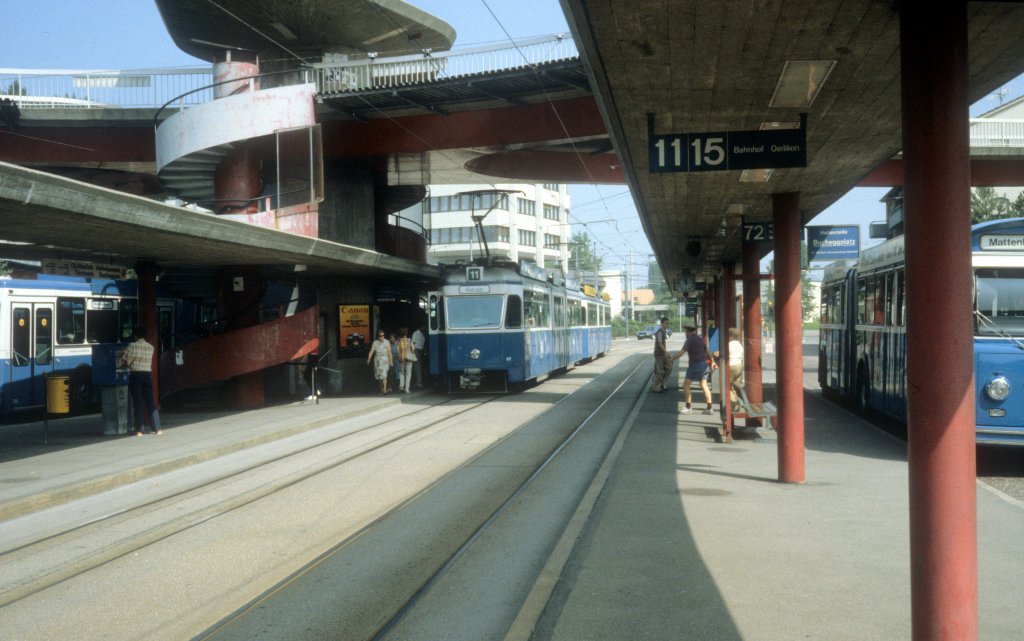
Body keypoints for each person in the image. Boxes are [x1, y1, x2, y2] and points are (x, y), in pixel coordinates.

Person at [121, 327, 161, 436]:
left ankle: (140, 430)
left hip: (135, 375)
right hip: (147, 375)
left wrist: (123, 362)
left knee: (138, 402)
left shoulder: (132, 346)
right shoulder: (150, 347)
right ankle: (157, 428)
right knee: (150, 402)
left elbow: (126, 362)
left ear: (136, 336)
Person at [674, 325, 714, 415]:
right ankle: (709, 408)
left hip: (695, 365)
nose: (685, 333)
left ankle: (688, 407)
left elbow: (681, 352)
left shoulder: (689, 339)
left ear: (688, 331)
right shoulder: (699, 339)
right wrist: (712, 361)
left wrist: (671, 359)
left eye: (685, 331)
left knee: (686, 385)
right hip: (704, 364)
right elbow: (707, 351)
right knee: (704, 385)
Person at [727, 327, 749, 411]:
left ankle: (735, 402)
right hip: (739, 365)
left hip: (732, 365)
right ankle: (735, 405)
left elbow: (725, 354)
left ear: (730, 335)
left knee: (726, 385)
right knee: (734, 385)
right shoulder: (739, 344)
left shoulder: (730, 344)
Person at [367, 330, 392, 395]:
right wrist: (369, 358)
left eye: (383, 335)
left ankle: (385, 389)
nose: (382, 337)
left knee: (384, 375)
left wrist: (391, 361)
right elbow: (371, 351)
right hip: (377, 360)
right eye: (381, 336)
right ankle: (381, 390)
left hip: (385, 360)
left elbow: (389, 352)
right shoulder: (375, 342)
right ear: (378, 336)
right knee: (379, 376)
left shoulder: (387, 342)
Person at [651, 317, 673, 393]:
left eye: (668, 323)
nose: (667, 325)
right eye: (666, 323)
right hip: (659, 354)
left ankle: (663, 384)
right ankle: (657, 387)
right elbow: (660, 344)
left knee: (669, 368)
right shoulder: (659, 332)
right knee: (660, 371)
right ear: (662, 324)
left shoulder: (663, 332)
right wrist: (666, 352)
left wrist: (665, 353)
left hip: (662, 354)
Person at [396, 327, 415, 394]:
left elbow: (398, 351)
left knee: (402, 373)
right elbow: (413, 349)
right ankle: (407, 389)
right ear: (406, 333)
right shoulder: (409, 340)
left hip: (401, 359)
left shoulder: (399, 341)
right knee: (408, 374)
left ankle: (401, 386)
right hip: (409, 359)